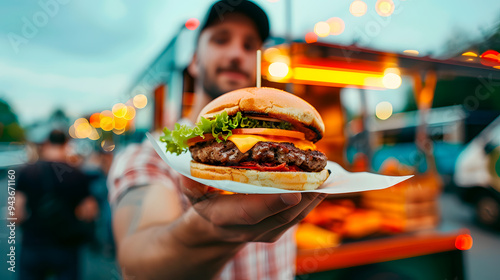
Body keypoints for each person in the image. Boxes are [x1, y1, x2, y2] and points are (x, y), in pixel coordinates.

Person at [108, 1, 326, 279]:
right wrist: (208, 231)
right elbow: (136, 264)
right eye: (221, 40)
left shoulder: (279, 147)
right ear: (195, 61)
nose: (236, 53)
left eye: (249, 46)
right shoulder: (150, 155)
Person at [15, 129, 98, 280]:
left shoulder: (27, 172)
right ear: (67, 143)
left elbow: (16, 215)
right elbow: (90, 212)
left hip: (33, 245)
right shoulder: (77, 174)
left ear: (46, 143)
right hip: (66, 246)